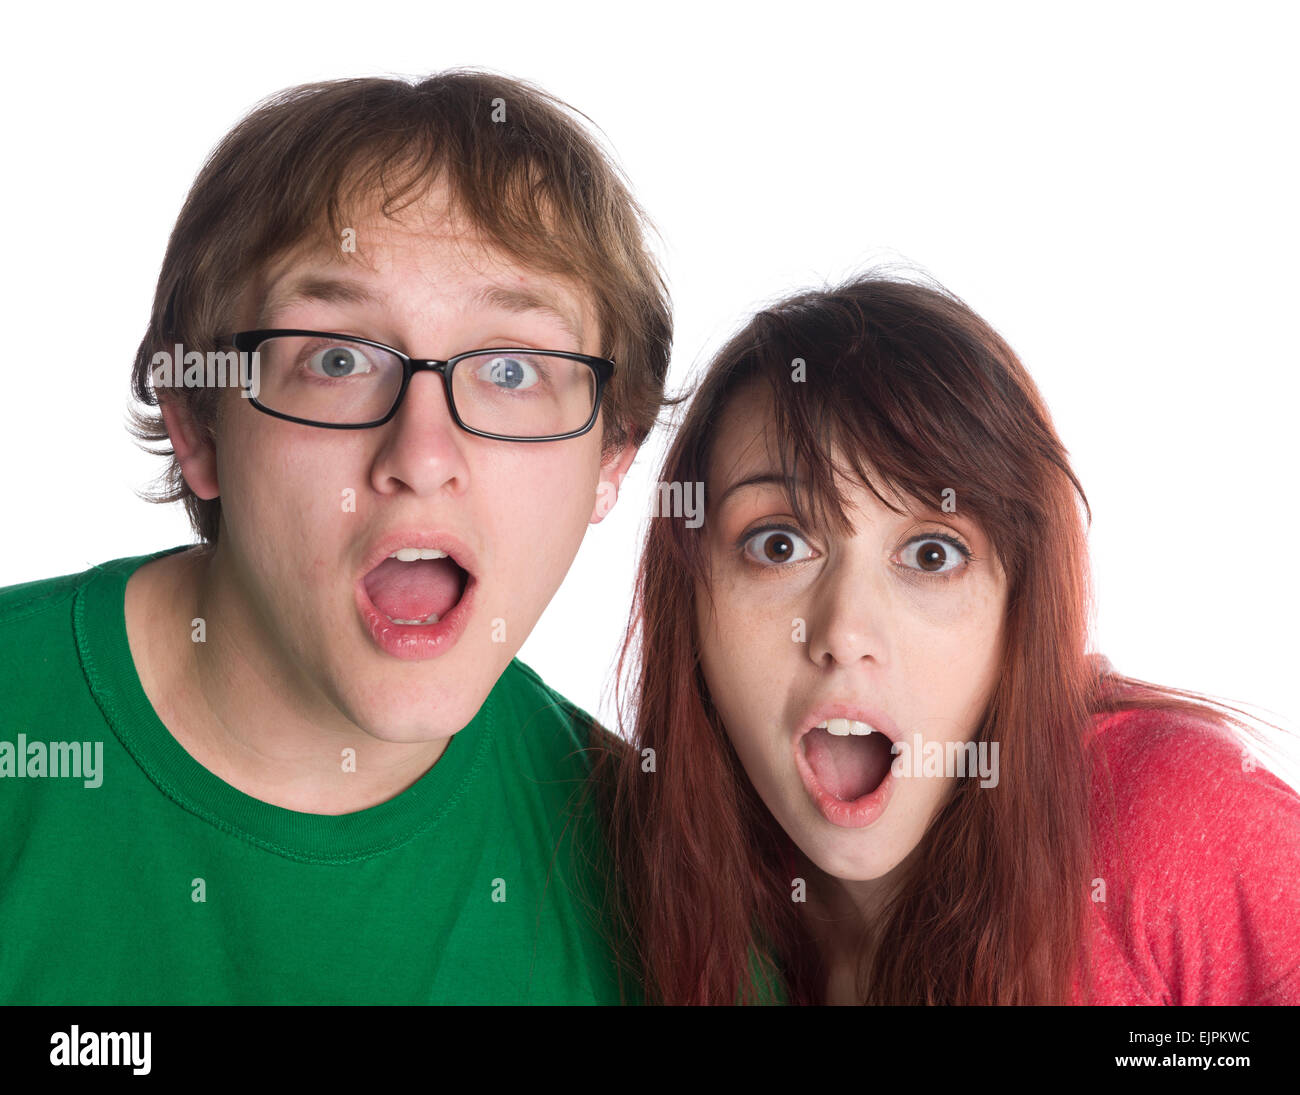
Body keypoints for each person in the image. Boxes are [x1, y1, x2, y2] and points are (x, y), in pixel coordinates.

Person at [0, 70, 670, 1004]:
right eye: (337, 358)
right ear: (199, 426)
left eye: (511, 368)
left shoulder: (667, 890)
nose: (424, 454)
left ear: (614, 460)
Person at [596, 273, 1300, 1005]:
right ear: (691, 605)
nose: (844, 632)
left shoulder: (1169, 820)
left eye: (933, 553)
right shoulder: (634, 887)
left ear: (1019, 609)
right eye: (779, 545)